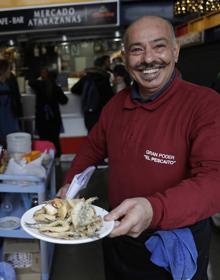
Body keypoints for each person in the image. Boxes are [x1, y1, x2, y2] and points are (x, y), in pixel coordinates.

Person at [58, 16, 220, 280]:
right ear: (125, 57)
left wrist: (153, 209)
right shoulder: (115, 106)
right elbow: (92, 148)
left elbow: (215, 179)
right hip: (117, 238)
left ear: (175, 51)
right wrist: (71, 184)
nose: (148, 59)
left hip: (172, 245)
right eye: (136, 49)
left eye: (159, 46)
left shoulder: (205, 105)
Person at [29, 68, 68, 158]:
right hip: (54, 118)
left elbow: (30, 82)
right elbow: (64, 100)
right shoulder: (56, 88)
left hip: (42, 117)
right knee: (55, 139)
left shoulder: (39, 85)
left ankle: (45, 157)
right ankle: (57, 157)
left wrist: (38, 74)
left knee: (43, 139)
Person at [71, 55, 114, 132]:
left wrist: (86, 93)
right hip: (102, 112)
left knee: (91, 136)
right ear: (103, 65)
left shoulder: (87, 77)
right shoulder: (104, 78)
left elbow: (74, 89)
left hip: (89, 112)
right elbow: (109, 96)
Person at [0, 59, 22, 145]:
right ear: (3, 70)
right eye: (9, 69)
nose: (10, 71)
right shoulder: (4, 87)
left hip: (9, 125)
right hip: (6, 127)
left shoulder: (7, 84)